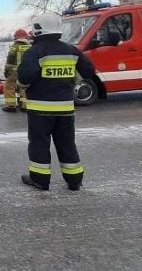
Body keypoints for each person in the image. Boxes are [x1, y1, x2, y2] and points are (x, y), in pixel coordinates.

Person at [17, 13, 95, 191]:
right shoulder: (71, 50)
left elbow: (24, 77)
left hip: (40, 110)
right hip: (66, 109)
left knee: (39, 144)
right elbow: (89, 71)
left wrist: (24, 86)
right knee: (67, 144)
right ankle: (74, 180)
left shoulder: (35, 52)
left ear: (37, 30)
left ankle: (40, 180)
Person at [3, 28, 31, 112]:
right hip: (26, 71)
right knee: (23, 87)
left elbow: (10, 59)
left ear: (16, 37)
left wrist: (6, 70)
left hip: (14, 71)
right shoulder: (30, 47)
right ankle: (24, 106)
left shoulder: (14, 46)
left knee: (9, 87)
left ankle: (11, 106)